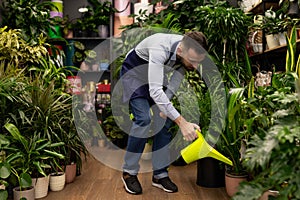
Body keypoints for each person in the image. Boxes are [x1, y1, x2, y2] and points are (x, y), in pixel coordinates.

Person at [120, 31, 208, 195]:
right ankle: (129, 172)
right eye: (193, 61)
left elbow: (174, 82)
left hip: (153, 77)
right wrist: (182, 123)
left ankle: (160, 175)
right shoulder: (160, 48)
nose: (195, 67)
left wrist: (165, 111)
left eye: (199, 62)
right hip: (134, 74)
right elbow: (154, 91)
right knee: (144, 119)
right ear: (181, 50)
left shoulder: (185, 52)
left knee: (166, 120)